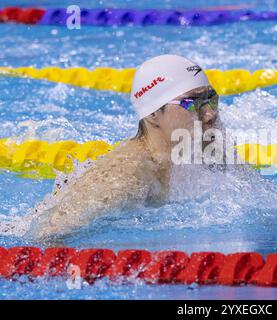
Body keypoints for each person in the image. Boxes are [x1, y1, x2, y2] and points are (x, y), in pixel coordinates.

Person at [29, 55, 220, 241]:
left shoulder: (201, 143)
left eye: (210, 98)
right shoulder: (126, 176)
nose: (210, 113)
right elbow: (47, 235)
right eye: (192, 103)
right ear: (153, 113)